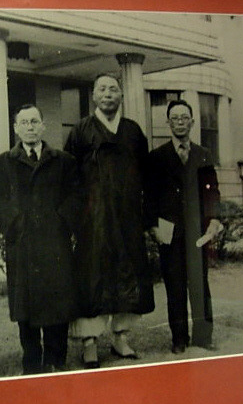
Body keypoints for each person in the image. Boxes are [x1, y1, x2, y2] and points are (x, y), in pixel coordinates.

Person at [64, 74, 155, 368]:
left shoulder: (132, 131)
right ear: (93, 95)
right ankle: (89, 342)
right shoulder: (81, 130)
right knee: (92, 277)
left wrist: (146, 217)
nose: (108, 94)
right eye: (102, 89)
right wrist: (75, 219)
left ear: (121, 96)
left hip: (128, 218)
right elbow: (69, 178)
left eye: (113, 89)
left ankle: (120, 336)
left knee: (128, 273)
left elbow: (147, 176)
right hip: (93, 220)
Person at [0, 104, 81, 374]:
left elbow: (77, 195)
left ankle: (56, 359)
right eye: (24, 122)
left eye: (34, 122)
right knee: (25, 307)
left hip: (55, 244)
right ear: (16, 128)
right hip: (22, 245)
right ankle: (31, 361)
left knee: (57, 303)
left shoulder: (63, 161)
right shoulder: (3, 163)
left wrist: (61, 222)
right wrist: (15, 224)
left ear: (43, 126)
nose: (29, 127)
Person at [146, 99, 221, 354]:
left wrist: (214, 219)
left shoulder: (203, 154)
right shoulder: (157, 157)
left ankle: (203, 337)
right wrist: (153, 226)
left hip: (198, 231)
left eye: (184, 117)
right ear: (168, 123)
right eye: (175, 118)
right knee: (175, 286)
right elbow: (149, 196)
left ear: (192, 122)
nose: (180, 122)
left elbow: (212, 191)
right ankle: (179, 338)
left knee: (200, 284)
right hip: (169, 231)